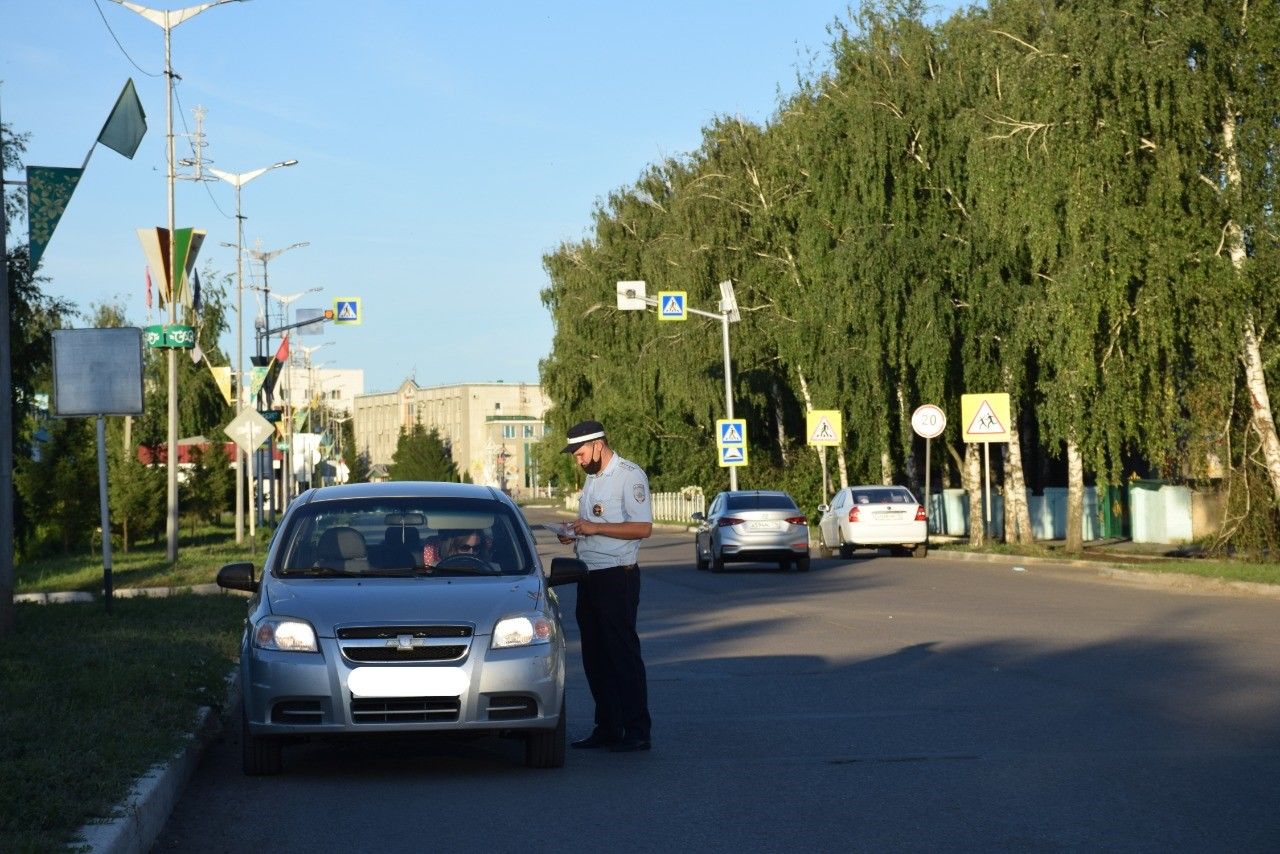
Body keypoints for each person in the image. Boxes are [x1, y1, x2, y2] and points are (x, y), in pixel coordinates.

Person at [558, 419, 654, 753]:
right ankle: (608, 726)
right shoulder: (593, 480)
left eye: (581, 453)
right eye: (575, 455)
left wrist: (596, 528)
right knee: (595, 657)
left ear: (598, 444)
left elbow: (642, 528)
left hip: (617, 576)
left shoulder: (629, 475)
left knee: (622, 654)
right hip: (589, 575)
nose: (578, 460)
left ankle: (637, 729)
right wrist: (573, 530)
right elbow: (594, 524)